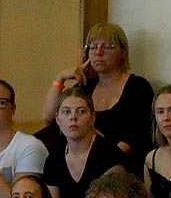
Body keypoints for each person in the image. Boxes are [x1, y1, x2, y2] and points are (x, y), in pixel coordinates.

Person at [39, 23, 155, 160]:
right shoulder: (85, 87)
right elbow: (48, 117)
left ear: (123, 53)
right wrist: (61, 77)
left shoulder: (138, 87)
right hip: (80, 160)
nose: (98, 52)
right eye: (93, 47)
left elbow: (136, 139)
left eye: (107, 47)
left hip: (120, 164)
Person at [40, 85, 129, 198]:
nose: (73, 118)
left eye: (81, 112)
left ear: (92, 118)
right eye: (66, 112)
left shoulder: (110, 155)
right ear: (57, 119)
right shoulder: (54, 159)